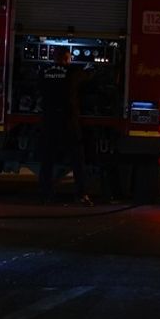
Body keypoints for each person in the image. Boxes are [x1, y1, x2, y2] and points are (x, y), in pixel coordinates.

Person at [39, 46, 92, 206]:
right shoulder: (73, 73)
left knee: (47, 158)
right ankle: (81, 194)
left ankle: (46, 194)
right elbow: (89, 77)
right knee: (77, 158)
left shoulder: (44, 72)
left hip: (49, 121)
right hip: (68, 121)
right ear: (66, 59)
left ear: (54, 58)